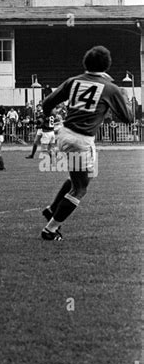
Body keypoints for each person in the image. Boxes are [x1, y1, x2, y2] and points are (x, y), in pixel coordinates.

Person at [40, 45, 132, 241]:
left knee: (78, 178)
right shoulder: (109, 88)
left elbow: (47, 103)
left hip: (64, 133)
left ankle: (52, 209)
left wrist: (49, 119)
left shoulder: (73, 81)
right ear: (107, 65)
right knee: (81, 188)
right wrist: (122, 96)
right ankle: (51, 229)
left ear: (85, 63)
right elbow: (128, 118)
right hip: (82, 138)